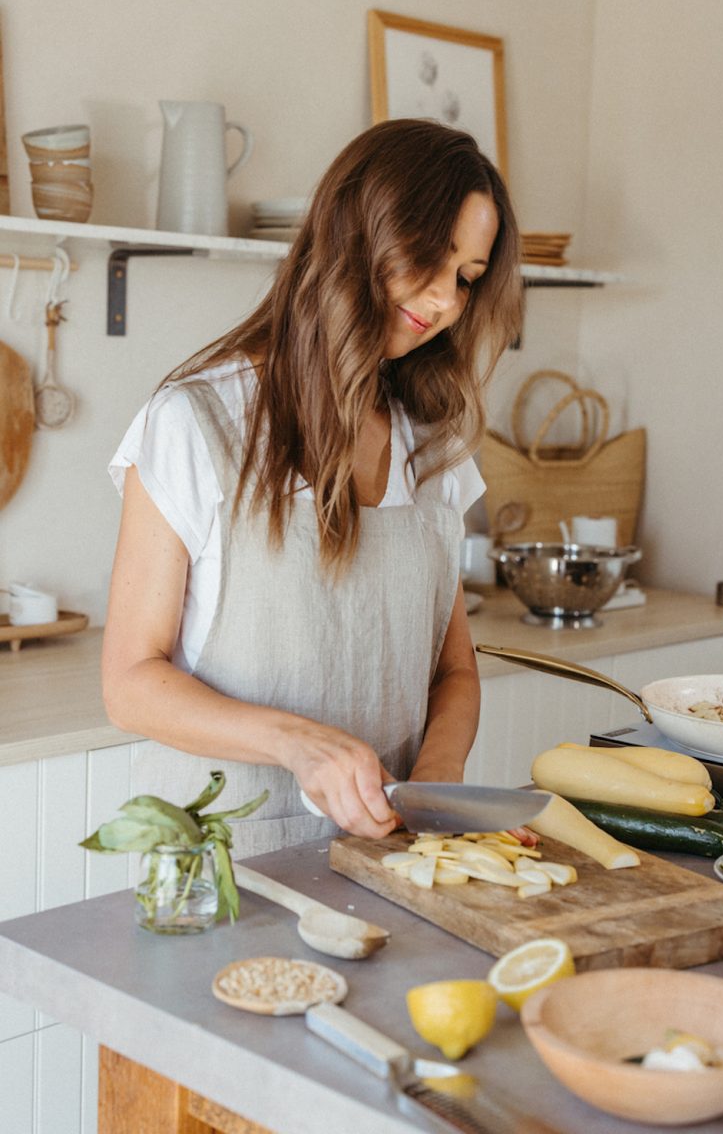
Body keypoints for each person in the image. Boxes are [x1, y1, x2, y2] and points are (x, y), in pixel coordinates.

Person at [102, 118, 522, 857]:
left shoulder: (434, 450)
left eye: (467, 278)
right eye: (433, 255)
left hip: (389, 861)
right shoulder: (197, 423)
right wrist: (298, 743)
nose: (447, 299)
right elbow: (131, 682)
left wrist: (436, 783)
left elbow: (454, 671)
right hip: (217, 870)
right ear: (358, 228)